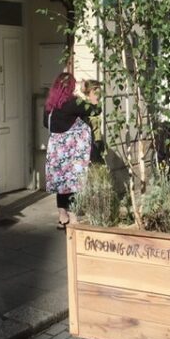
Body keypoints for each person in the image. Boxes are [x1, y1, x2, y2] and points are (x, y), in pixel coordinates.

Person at [44, 73, 101, 229]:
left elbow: (45, 123)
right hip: (71, 151)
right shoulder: (73, 102)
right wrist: (90, 94)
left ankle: (62, 217)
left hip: (55, 150)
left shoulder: (50, 105)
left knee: (61, 183)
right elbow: (96, 110)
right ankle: (74, 218)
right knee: (73, 182)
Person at [80, 79, 105, 164]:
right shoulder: (85, 107)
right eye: (97, 91)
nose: (100, 94)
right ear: (91, 91)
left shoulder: (97, 106)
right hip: (90, 144)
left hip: (98, 142)